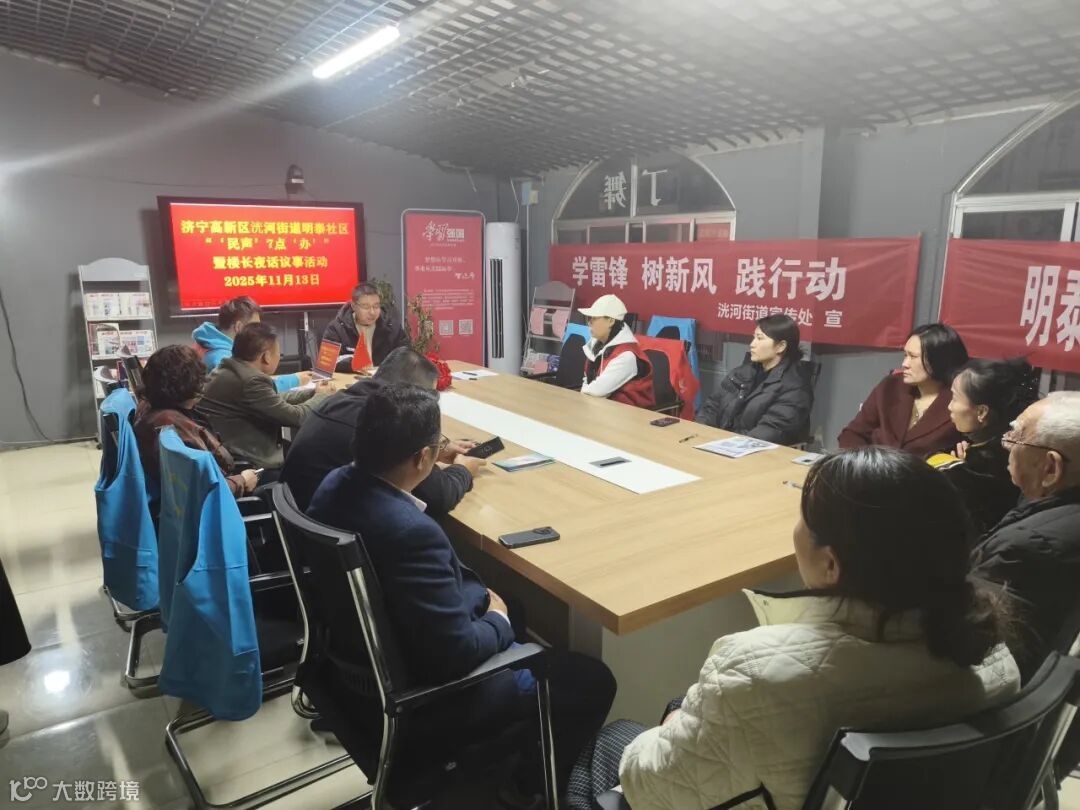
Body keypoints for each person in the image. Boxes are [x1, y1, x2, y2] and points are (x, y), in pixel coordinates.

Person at [568, 447, 1019, 810]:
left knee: (615, 738)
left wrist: (665, 730)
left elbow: (649, 787)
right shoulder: (992, 652)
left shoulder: (756, 672)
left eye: (803, 515)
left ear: (831, 563)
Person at [308, 384, 616, 798]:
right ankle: (532, 787)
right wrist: (498, 620)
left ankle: (514, 757)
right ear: (423, 458)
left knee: (516, 609)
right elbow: (454, 656)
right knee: (593, 680)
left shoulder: (333, 485)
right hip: (432, 698)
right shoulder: (410, 533)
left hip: (355, 672)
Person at [281, 347, 484, 513]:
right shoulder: (387, 421)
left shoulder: (339, 400)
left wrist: (433, 451)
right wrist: (463, 470)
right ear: (412, 394)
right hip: (333, 532)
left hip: (299, 520)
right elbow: (439, 496)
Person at [971, 392, 1080, 681]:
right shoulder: (1047, 506)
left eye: (1016, 436)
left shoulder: (1025, 548)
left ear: (1050, 468)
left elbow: (975, 641)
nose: (1005, 444)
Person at [197, 322, 334, 473]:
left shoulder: (230, 368)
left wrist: (312, 393)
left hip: (229, 452)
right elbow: (297, 417)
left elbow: (273, 399)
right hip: (248, 463)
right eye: (278, 353)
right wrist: (322, 396)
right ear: (266, 357)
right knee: (318, 459)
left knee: (306, 451)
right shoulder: (251, 381)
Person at [133, 345, 258, 504]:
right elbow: (204, 490)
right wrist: (242, 480)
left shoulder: (152, 411)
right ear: (191, 384)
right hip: (221, 503)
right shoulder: (173, 426)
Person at [927, 358, 1038, 535]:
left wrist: (956, 468)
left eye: (954, 398)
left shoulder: (975, 470)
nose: (950, 407)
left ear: (981, 412)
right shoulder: (1016, 447)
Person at [838, 323, 970, 457]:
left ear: (938, 360)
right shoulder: (890, 386)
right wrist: (866, 464)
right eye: (905, 355)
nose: (904, 364)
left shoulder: (962, 401)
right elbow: (853, 434)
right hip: (874, 468)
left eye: (913, 357)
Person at [695, 314, 813, 445]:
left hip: (753, 451)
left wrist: (724, 444)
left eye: (760, 338)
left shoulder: (795, 388)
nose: (752, 344)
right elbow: (711, 407)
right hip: (721, 444)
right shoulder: (741, 373)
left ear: (781, 346)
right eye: (754, 337)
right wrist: (701, 433)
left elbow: (770, 431)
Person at [191, 295, 308, 392]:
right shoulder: (221, 358)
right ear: (239, 327)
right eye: (254, 327)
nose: (259, 333)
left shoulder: (209, 342)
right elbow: (252, 388)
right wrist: (295, 380)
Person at [578, 294, 654, 408]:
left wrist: (584, 392)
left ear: (611, 321)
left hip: (630, 415)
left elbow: (597, 391)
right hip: (603, 409)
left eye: (594, 318)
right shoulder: (596, 346)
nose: (589, 322)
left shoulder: (626, 356)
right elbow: (587, 381)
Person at [322, 283, 408, 368]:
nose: (372, 312)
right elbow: (327, 362)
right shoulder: (337, 329)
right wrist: (352, 363)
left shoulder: (392, 328)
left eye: (376, 306)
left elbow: (406, 357)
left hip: (384, 376)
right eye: (366, 307)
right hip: (351, 376)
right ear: (354, 306)